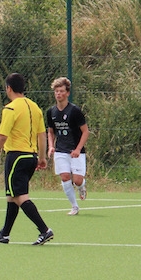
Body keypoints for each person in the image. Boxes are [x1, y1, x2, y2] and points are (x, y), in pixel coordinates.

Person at [0, 72, 53, 245]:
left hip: (16, 157)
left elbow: (2, 136)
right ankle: (4, 234)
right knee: (12, 195)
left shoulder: (11, 108)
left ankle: (44, 230)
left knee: (20, 196)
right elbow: (41, 134)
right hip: (31, 156)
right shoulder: (35, 107)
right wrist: (42, 157)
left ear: (8, 88)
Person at [46, 77, 89, 216]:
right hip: (60, 150)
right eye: (56, 91)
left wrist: (78, 149)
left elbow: (85, 131)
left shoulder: (75, 111)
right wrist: (51, 146)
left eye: (61, 91)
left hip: (75, 151)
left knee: (77, 180)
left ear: (67, 93)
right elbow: (50, 132)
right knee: (65, 177)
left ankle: (82, 186)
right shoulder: (51, 112)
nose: (58, 94)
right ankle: (74, 207)